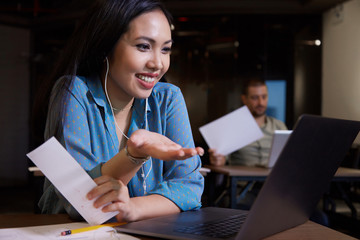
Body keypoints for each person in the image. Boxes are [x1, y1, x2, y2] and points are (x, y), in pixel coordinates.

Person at [35, 0, 204, 223]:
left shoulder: (168, 98)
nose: (158, 63)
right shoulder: (73, 91)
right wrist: (134, 155)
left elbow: (190, 188)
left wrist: (133, 208)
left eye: (165, 49)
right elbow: (78, 201)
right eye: (143, 46)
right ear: (106, 46)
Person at [209, 76, 287, 167]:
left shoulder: (279, 126)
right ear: (244, 99)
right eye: (255, 98)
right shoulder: (232, 126)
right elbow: (221, 159)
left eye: (264, 97)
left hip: (273, 179)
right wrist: (218, 160)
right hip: (242, 180)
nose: (261, 102)